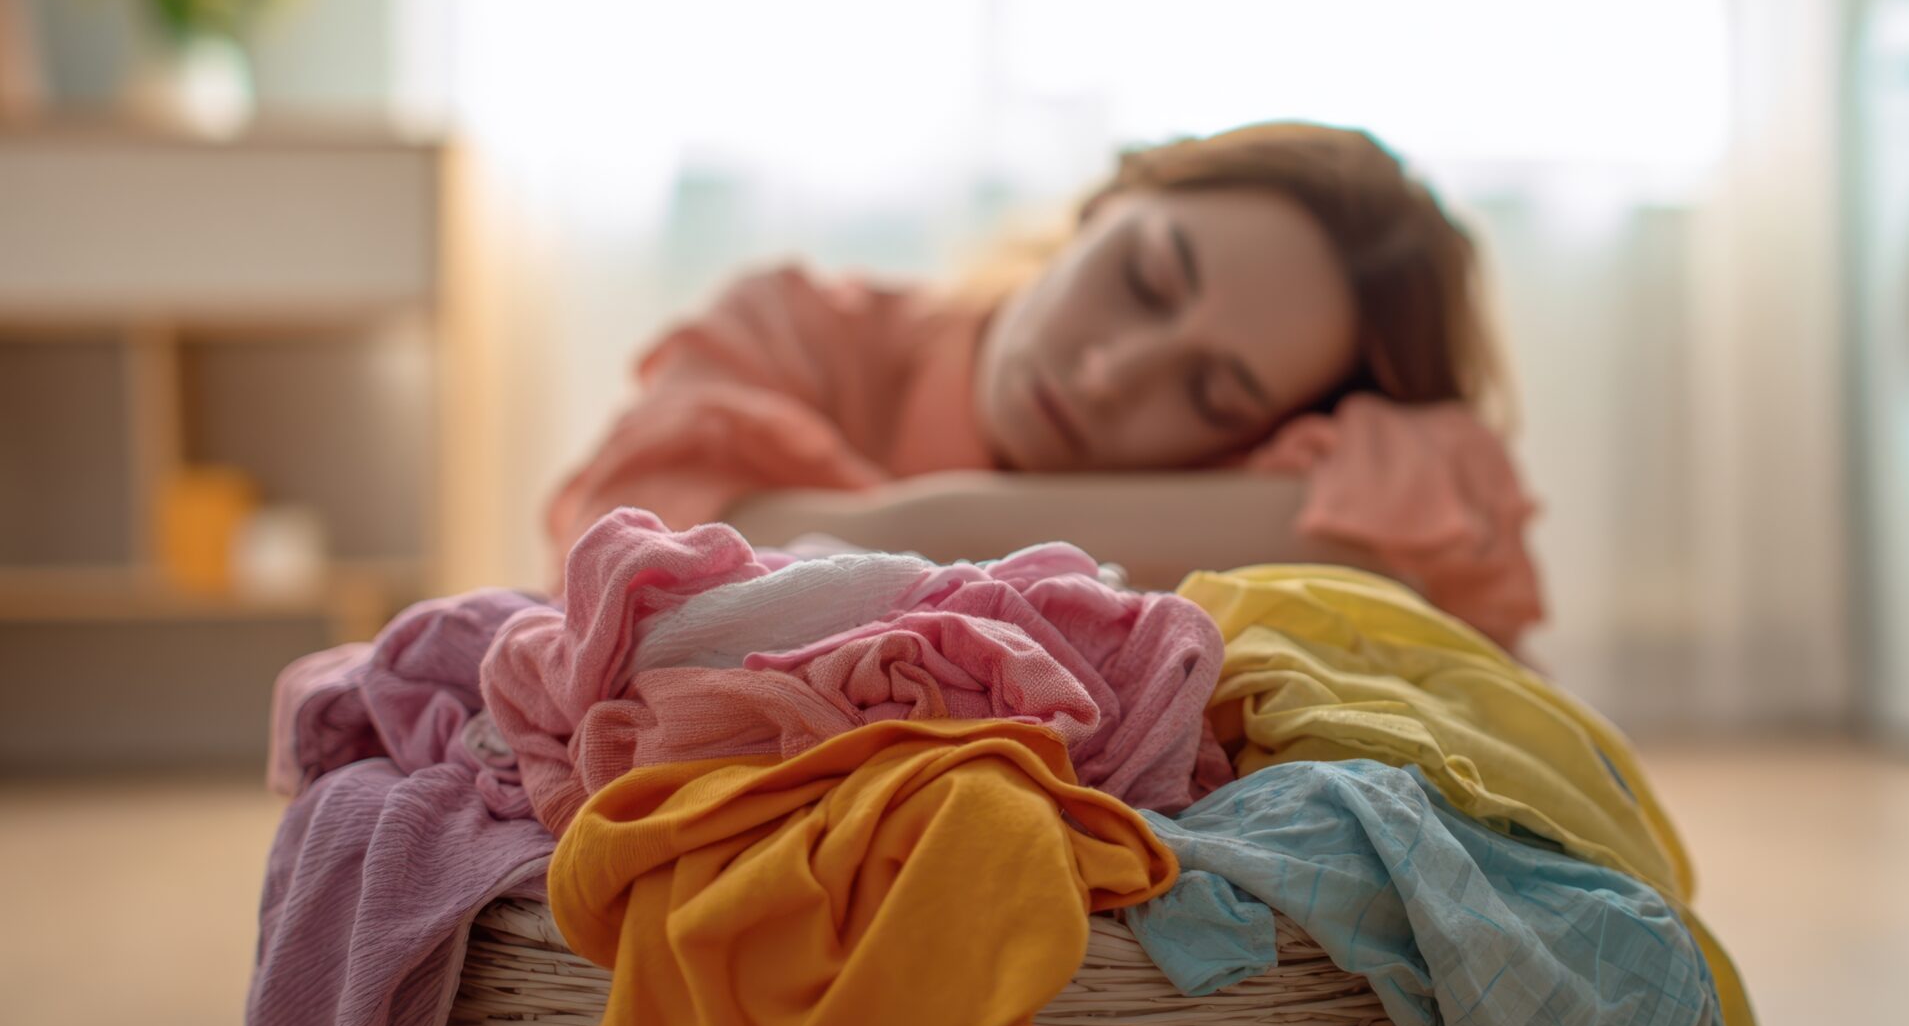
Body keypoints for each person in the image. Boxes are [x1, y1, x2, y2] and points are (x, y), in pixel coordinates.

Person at [548, 121, 1542, 647]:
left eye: (1211, 395)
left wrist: (933, 526)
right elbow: (629, 574)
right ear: (1105, 202)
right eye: (1143, 280)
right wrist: (965, 524)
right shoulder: (797, 327)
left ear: (1259, 432)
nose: (1111, 374)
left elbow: (1427, 547)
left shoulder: (1288, 460)